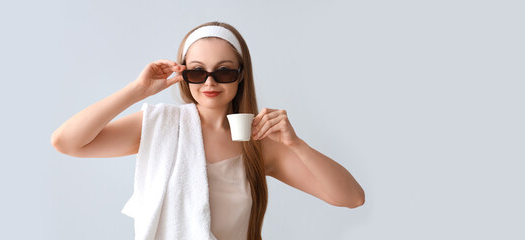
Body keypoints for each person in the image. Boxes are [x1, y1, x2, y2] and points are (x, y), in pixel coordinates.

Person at [51, 21, 365, 240]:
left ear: (241, 76)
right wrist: (137, 90)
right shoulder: (160, 126)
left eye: (224, 71)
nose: (210, 82)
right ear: (183, 74)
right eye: (198, 72)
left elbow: (351, 198)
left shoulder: (259, 142)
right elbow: (66, 142)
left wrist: (296, 145)